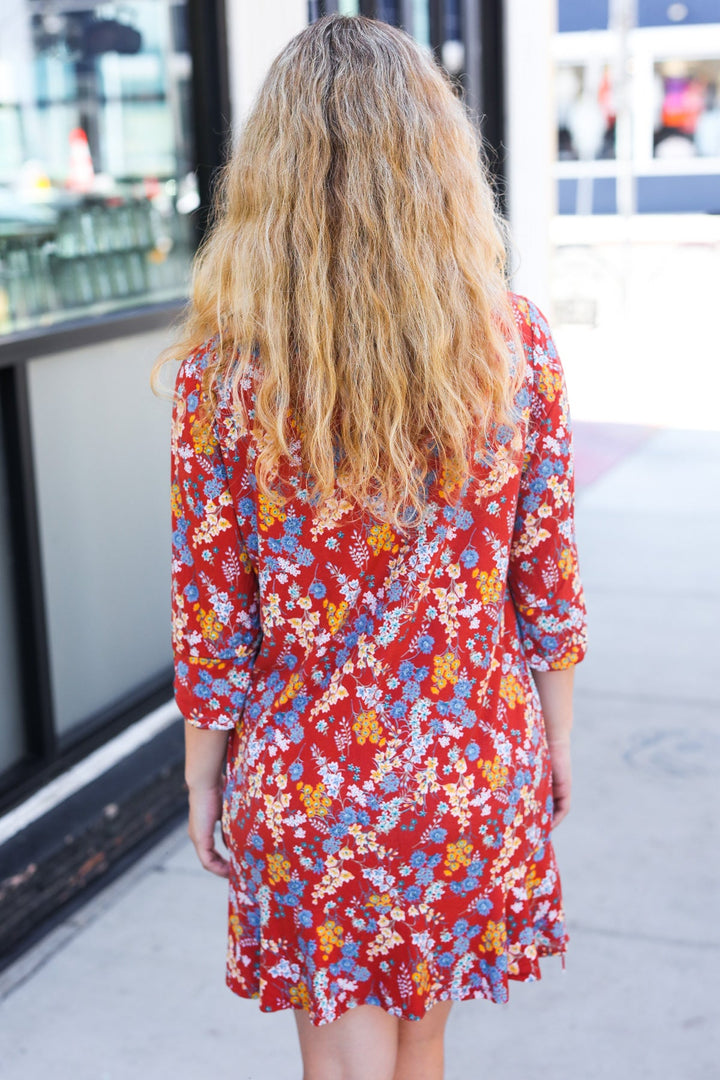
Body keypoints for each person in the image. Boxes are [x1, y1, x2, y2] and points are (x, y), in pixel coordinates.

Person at [159, 14, 587, 1080]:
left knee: (344, 1065)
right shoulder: (515, 344)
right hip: (470, 764)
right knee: (422, 1045)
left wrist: (202, 781)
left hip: (312, 781)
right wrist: (555, 740)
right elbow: (551, 585)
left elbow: (214, 615)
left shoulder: (225, 378)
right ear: (438, 162)